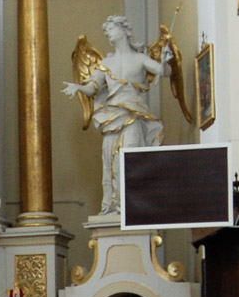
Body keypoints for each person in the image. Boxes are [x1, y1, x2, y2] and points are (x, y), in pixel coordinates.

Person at [62, 15, 170, 216]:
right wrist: (78, 87)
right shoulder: (107, 62)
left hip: (133, 115)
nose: (108, 33)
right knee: (111, 160)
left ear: (123, 30)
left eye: (111, 29)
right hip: (111, 117)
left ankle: (132, 202)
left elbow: (164, 72)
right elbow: (93, 86)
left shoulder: (140, 59)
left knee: (130, 157)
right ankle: (114, 204)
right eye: (107, 30)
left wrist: (166, 60)